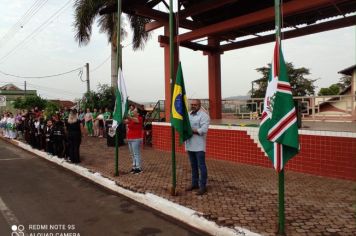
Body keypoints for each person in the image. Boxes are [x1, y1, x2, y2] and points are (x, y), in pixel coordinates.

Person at [185, 99, 210, 195]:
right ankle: (194, 184)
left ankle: (203, 186)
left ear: (199, 105)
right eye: (192, 104)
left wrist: (190, 130)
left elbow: (203, 130)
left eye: (195, 104)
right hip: (190, 144)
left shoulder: (204, 116)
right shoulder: (188, 114)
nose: (193, 106)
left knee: (201, 166)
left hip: (199, 146)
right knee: (193, 166)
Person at [124, 105, 143, 174]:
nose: (133, 111)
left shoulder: (139, 118)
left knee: (136, 153)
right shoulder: (131, 119)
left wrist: (127, 115)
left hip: (136, 139)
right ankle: (134, 166)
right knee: (132, 154)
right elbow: (124, 121)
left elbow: (134, 120)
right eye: (133, 110)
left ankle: (139, 168)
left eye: (135, 111)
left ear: (138, 113)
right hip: (130, 138)